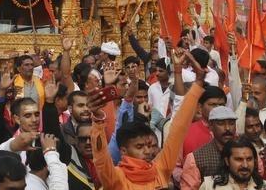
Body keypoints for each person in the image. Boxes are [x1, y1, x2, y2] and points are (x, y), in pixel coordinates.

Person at [89, 52, 206, 189]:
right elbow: (101, 158)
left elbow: (178, 130)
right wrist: (97, 120)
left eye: (150, 146)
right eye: (139, 147)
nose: (147, 151)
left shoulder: (160, 170)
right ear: (123, 151)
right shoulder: (116, 178)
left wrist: (198, 83)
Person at [181, 106, 238, 190]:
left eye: (231, 123)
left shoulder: (247, 152)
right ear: (211, 126)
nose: (227, 128)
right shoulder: (196, 158)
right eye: (221, 124)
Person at [199, 138, 266, 189]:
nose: (245, 165)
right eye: (239, 159)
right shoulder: (210, 186)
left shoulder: (264, 186)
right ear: (227, 161)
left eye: (249, 159)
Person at [181, 86, 227, 158]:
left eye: (221, 105)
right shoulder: (185, 132)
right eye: (213, 105)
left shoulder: (231, 131)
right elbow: (175, 165)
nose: (218, 109)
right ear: (200, 107)